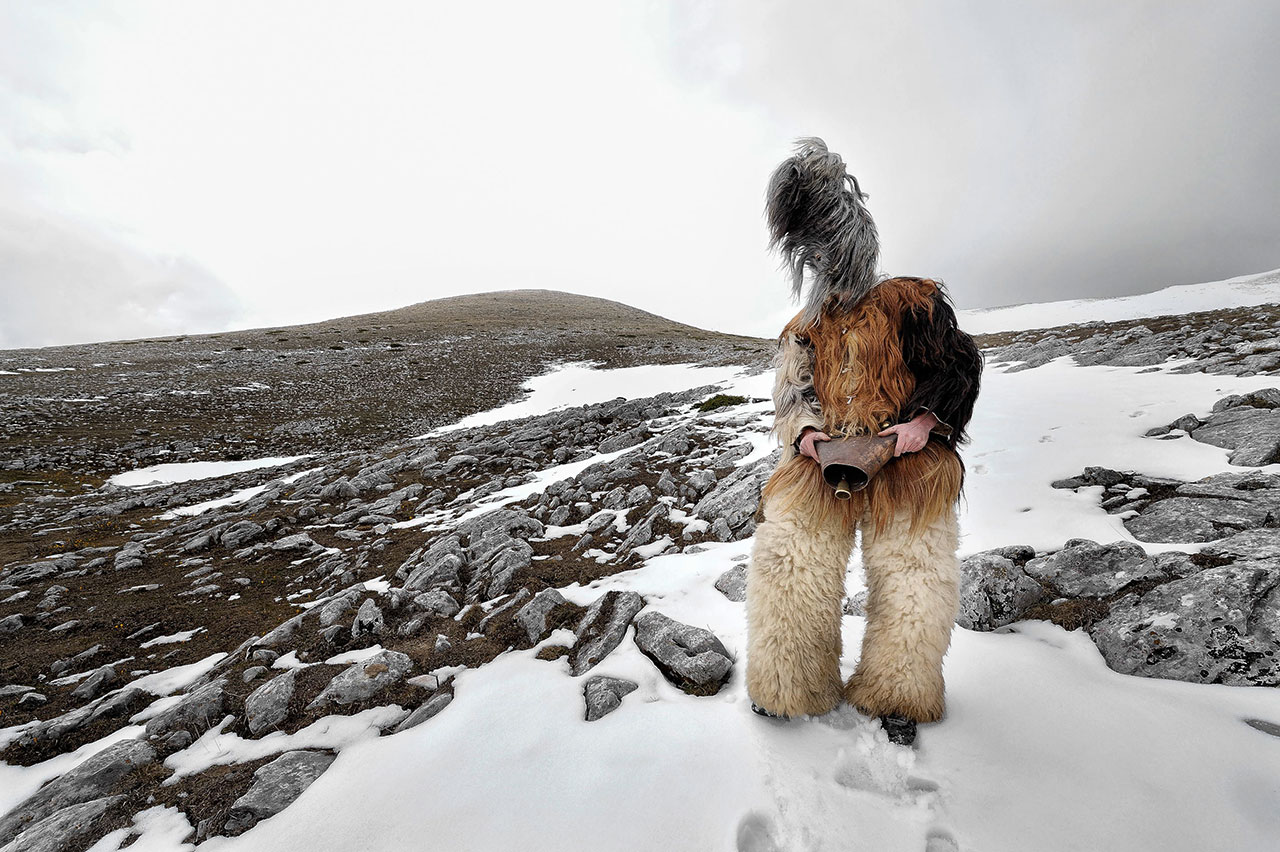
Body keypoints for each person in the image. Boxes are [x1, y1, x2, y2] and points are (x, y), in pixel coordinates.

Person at [745, 138, 983, 745]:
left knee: (914, 575)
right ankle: (789, 687)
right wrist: (805, 435)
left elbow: (958, 366)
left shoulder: (913, 301)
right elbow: (792, 393)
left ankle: (898, 692)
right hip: (822, 462)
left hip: (907, 462)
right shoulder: (805, 327)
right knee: (789, 557)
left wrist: (922, 425)